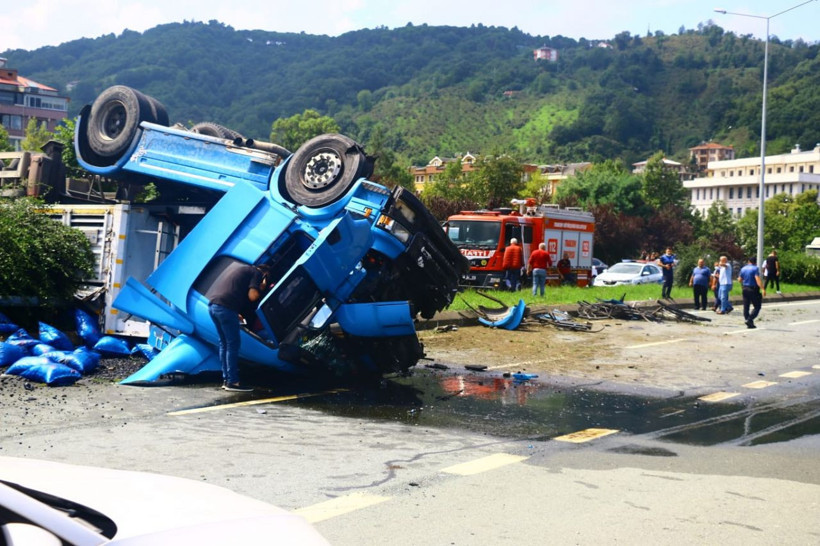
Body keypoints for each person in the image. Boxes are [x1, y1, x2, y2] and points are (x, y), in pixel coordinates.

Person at [207, 263, 270, 392]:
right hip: (225, 307)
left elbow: (232, 290)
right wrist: (262, 286)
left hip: (213, 306)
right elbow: (252, 296)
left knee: (224, 344)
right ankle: (233, 382)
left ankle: (226, 379)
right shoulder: (257, 273)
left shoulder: (241, 269)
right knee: (232, 344)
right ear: (265, 274)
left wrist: (235, 313)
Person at [738, 257, 765, 328]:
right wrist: (763, 289)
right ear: (755, 262)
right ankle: (749, 319)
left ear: (748, 261)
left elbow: (740, 279)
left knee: (746, 306)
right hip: (753, 289)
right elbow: (757, 279)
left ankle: (749, 322)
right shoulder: (755, 268)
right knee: (757, 306)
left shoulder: (743, 268)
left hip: (745, 289)